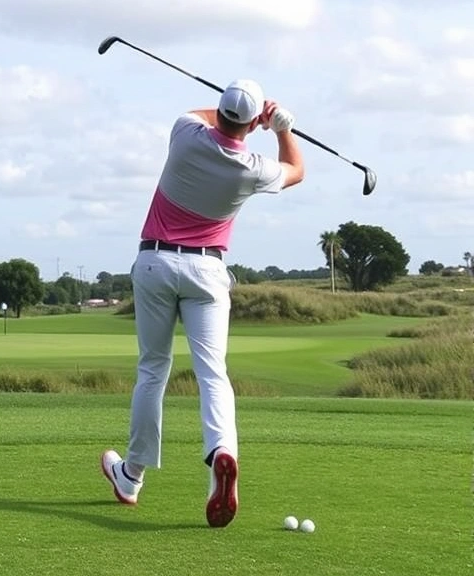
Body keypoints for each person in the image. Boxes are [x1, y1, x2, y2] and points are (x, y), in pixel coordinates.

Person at [100, 79, 305, 528]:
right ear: (250, 123)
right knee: (213, 373)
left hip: (155, 262)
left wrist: (250, 117)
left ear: (222, 109)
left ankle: (131, 475)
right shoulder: (252, 169)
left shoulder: (184, 135)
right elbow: (296, 170)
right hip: (208, 270)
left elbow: (205, 115)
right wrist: (280, 127)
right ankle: (221, 450)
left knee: (153, 370)